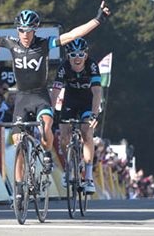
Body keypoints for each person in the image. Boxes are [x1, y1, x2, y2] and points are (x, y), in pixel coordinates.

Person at [0, 0, 111, 202]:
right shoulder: (11, 43)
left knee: (46, 126)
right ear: (18, 30)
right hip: (22, 99)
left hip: (40, 96)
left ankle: (48, 154)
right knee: (18, 144)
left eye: (29, 30)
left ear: (36, 30)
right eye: (21, 30)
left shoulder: (44, 44)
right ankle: (19, 188)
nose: (25, 34)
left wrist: (97, 19)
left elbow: (72, 35)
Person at [50, 38, 101, 194]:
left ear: (86, 56)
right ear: (68, 56)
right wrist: (50, 112)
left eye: (80, 54)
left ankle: (89, 177)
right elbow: (55, 91)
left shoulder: (92, 65)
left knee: (86, 131)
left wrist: (94, 114)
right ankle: (69, 166)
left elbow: (97, 91)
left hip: (88, 102)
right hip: (70, 102)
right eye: (73, 54)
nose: (77, 58)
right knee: (63, 134)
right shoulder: (63, 67)